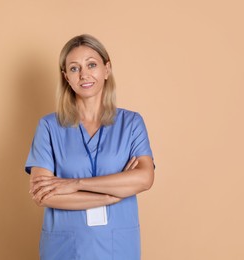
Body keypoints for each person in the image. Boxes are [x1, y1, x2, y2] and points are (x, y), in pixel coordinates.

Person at [25, 34, 155, 260]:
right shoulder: (49, 126)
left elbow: (144, 178)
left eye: (91, 65)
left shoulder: (131, 123)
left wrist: (72, 185)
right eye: (74, 68)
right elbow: (43, 194)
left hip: (118, 246)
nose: (84, 74)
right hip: (64, 247)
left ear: (107, 69)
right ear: (66, 77)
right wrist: (111, 196)